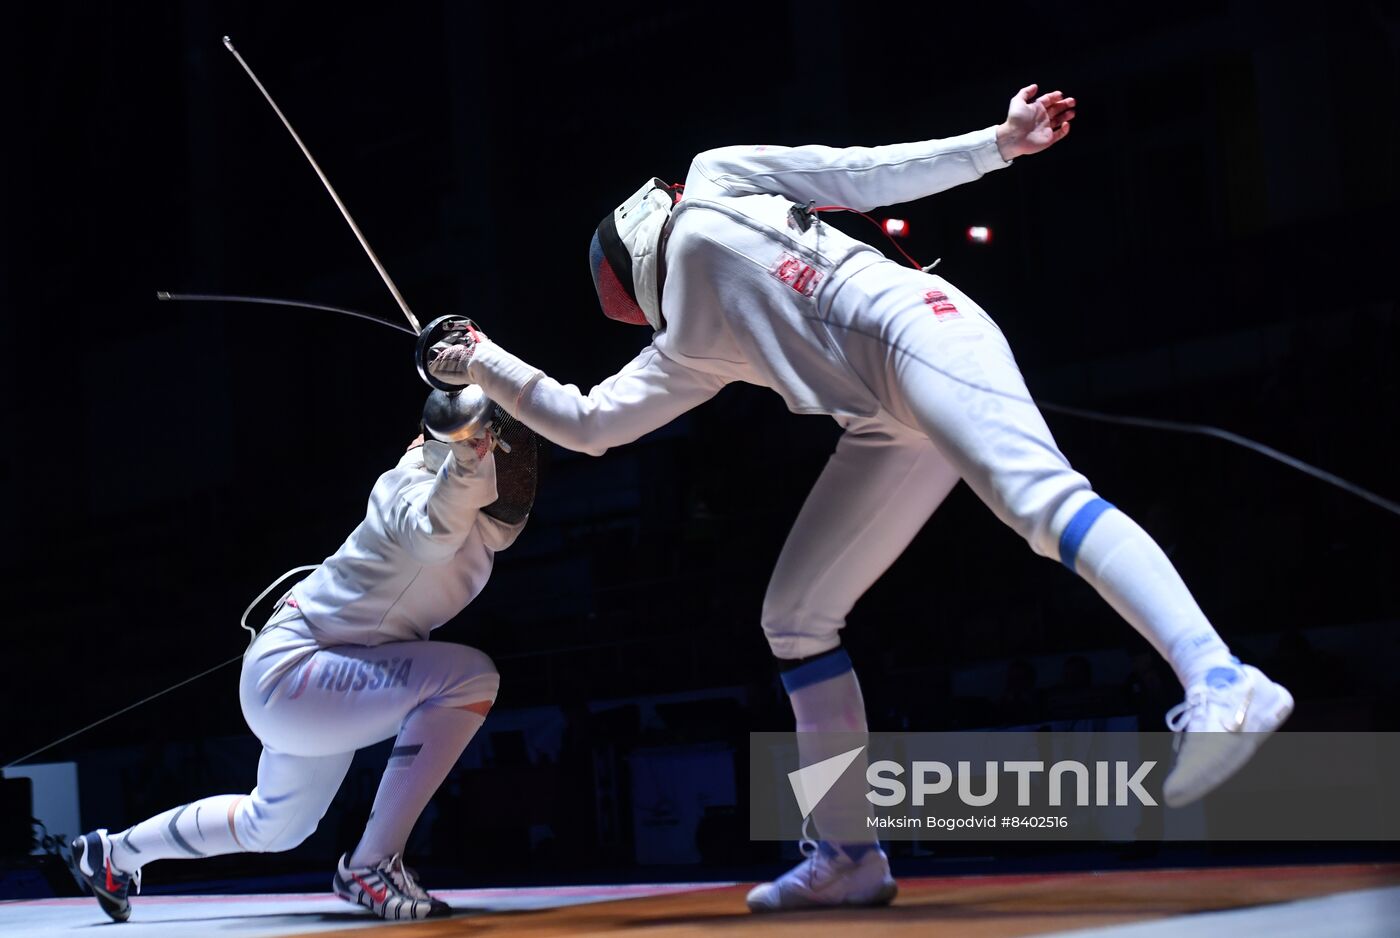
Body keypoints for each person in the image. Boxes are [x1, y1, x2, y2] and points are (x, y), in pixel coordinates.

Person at [428, 84, 1293, 911]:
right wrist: (481, 360)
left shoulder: (714, 203)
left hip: (922, 331)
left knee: (1039, 502)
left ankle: (1221, 676)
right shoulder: (688, 339)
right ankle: (847, 854)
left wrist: (995, 147)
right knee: (796, 617)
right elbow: (587, 422)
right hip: (886, 417)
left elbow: (857, 173)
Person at [70, 393, 531, 923]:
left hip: (330, 678)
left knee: (277, 824)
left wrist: (469, 444)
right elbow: (431, 536)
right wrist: (466, 453)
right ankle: (371, 865)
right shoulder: (406, 485)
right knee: (468, 678)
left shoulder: (476, 531)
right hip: (296, 669)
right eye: (484, 443)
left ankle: (111, 853)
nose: (502, 457)